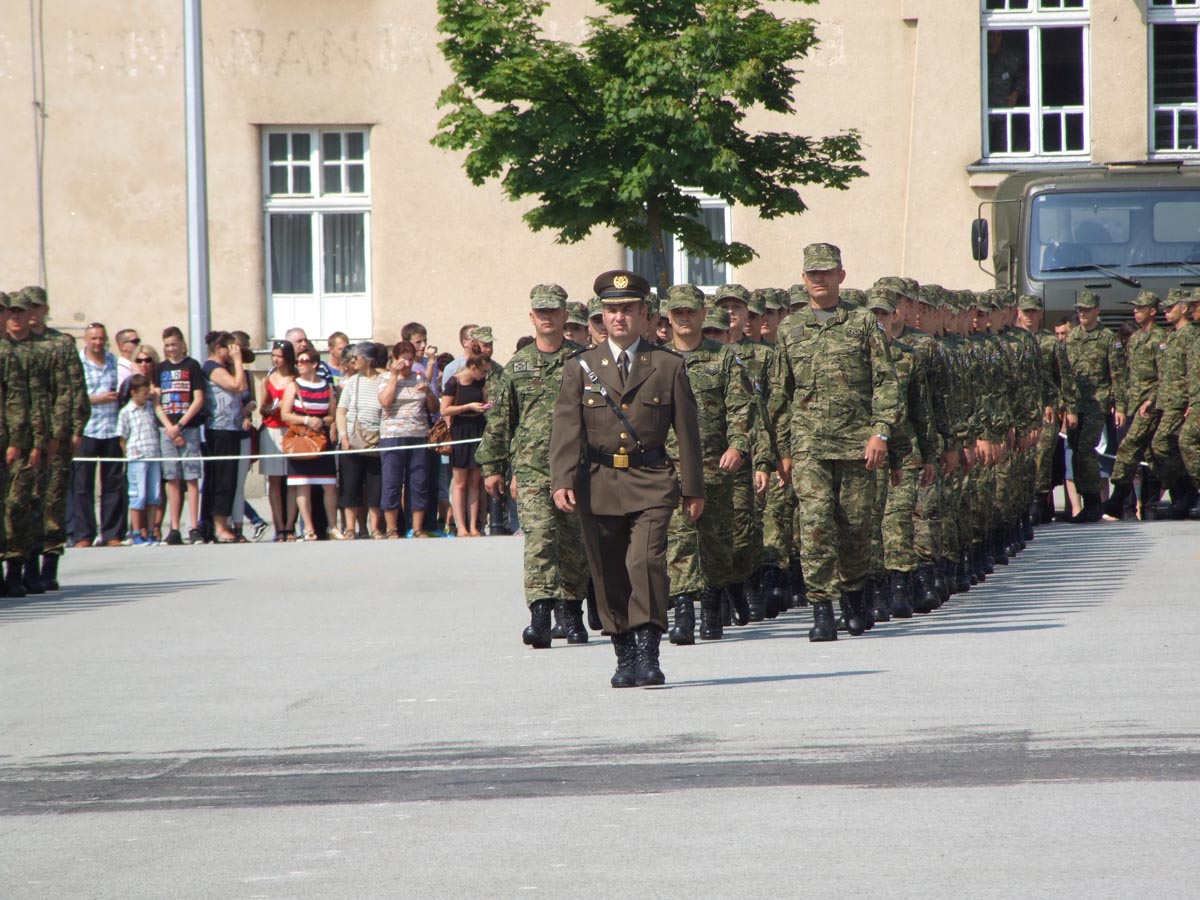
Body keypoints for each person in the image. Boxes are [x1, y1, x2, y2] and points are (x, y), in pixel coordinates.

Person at [550, 269, 704, 688]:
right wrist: (562, 479)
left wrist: (693, 488)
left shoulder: (667, 365)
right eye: (612, 310)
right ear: (602, 316)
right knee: (608, 570)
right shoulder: (581, 367)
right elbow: (566, 429)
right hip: (598, 480)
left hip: (651, 479)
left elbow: (687, 433)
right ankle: (624, 653)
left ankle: (649, 650)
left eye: (628, 310)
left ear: (645, 315)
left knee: (645, 562)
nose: (619, 317)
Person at [766, 243, 900, 641]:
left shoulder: (863, 322)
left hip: (857, 444)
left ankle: (854, 599)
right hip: (808, 445)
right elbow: (779, 395)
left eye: (826, 272)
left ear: (841, 275)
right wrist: (783, 451)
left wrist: (880, 432)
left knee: (856, 526)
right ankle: (821, 609)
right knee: (815, 524)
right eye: (813, 274)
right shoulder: (790, 328)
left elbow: (886, 381)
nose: (819, 279)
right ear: (804, 278)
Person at [476, 283, 590, 648]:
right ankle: (540, 616)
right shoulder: (518, 365)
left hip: (576, 468)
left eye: (553, 311)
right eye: (541, 312)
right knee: (539, 540)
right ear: (531, 317)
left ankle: (571, 615)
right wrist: (493, 467)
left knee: (573, 544)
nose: (547, 317)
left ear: (564, 315)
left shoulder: (584, 360)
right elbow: (501, 421)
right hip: (531, 469)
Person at [658, 283, 753, 645]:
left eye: (690, 312)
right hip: (668, 467)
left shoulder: (724, 358)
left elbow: (742, 407)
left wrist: (738, 446)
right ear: (668, 318)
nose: (684, 318)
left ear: (702, 314)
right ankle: (684, 613)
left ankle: (712, 608)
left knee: (716, 544)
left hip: (715, 465)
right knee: (678, 542)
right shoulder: (654, 359)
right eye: (678, 313)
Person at [3, 290, 52, 596]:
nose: (15, 317)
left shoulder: (25, 354)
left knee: (20, 505)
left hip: (17, 441)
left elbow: (31, 402)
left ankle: (20, 569)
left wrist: (33, 441)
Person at [1063, 291, 1126, 522]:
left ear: (1097, 310)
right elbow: (1065, 373)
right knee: (1075, 451)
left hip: (1097, 403)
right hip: (1074, 403)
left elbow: (1117, 374)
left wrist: (1120, 406)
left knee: (1085, 450)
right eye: (1079, 309)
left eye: (1086, 309)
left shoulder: (1107, 338)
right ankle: (1086, 501)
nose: (1082, 313)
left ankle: (1093, 502)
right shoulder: (1071, 337)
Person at [379, 340, 438, 538]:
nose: (407, 364)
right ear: (394, 359)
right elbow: (385, 402)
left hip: (418, 435)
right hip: (392, 436)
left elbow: (434, 408)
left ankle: (418, 528)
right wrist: (394, 376)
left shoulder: (419, 377)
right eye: (403, 359)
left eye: (411, 360)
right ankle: (391, 529)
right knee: (392, 481)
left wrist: (428, 392)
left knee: (419, 481)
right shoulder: (385, 378)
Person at [74, 323, 126, 547]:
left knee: (113, 484)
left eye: (101, 338)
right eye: (93, 338)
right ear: (86, 339)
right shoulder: (77, 362)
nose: (97, 342)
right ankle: (84, 535)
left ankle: (112, 533)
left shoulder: (113, 360)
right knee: (83, 485)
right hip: (87, 429)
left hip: (111, 429)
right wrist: (96, 399)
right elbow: (73, 396)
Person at [280, 348, 339, 540]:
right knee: (302, 484)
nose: (299, 365)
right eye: (298, 361)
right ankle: (309, 528)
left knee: (329, 484)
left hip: (320, 439)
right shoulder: (294, 385)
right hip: (300, 438)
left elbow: (332, 414)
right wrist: (306, 420)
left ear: (314, 364)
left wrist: (321, 421)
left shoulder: (327, 387)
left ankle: (332, 526)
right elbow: (285, 414)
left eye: (304, 361)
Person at [155, 327, 206, 545]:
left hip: (189, 428)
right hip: (167, 430)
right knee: (172, 478)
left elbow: (198, 399)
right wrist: (170, 427)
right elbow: (157, 402)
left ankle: (193, 526)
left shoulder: (192, 366)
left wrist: (181, 425)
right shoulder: (160, 368)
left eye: (174, 344)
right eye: (167, 345)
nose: (171, 349)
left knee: (191, 477)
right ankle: (174, 528)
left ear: (182, 344)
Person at [200, 331, 247, 543]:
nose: (233, 352)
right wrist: (237, 360)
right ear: (219, 348)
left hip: (231, 429)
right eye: (230, 347)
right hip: (219, 430)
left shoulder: (224, 367)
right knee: (222, 477)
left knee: (229, 477)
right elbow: (238, 386)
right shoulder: (212, 367)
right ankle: (219, 527)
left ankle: (221, 524)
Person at [336, 341, 385, 538]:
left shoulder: (383, 380)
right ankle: (350, 528)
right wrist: (343, 437)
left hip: (376, 441)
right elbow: (341, 411)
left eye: (357, 357)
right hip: (352, 440)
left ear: (368, 360)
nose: (353, 360)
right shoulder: (351, 382)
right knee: (350, 487)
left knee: (375, 488)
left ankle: (375, 528)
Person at [441, 352, 490, 537]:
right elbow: (444, 409)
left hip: (477, 427)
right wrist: (468, 407)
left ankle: (473, 525)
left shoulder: (480, 382)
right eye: (483, 371)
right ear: (473, 367)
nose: (484, 375)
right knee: (460, 482)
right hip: (460, 429)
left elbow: (483, 400)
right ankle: (461, 526)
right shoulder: (454, 382)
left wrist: (486, 406)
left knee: (475, 481)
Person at [117, 374, 162, 545]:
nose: (147, 395)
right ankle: (136, 533)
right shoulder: (126, 412)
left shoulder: (151, 407)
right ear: (133, 392)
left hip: (153, 455)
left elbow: (157, 395)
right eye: (143, 392)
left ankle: (150, 532)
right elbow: (122, 438)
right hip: (137, 458)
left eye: (147, 391)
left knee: (153, 496)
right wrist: (128, 455)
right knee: (138, 495)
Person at [259, 340, 297, 540]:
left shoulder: (296, 379)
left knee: (293, 480)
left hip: (291, 430)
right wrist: (270, 408)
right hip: (272, 429)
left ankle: (290, 526)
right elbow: (262, 407)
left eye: (279, 356)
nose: (276, 359)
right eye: (273, 355)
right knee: (273, 480)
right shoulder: (268, 379)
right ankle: (279, 527)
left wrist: (288, 403)